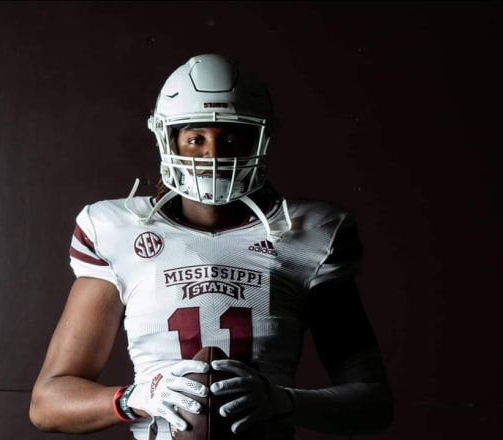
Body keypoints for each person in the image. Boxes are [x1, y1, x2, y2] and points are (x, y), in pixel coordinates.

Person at [29, 53, 393, 439]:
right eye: (196, 138)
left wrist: (284, 401)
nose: (213, 155)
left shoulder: (309, 233)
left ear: (260, 139)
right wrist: (137, 397)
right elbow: (48, 403)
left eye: (232, 137)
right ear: (168, 139)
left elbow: (372, 404)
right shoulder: (116, 232)